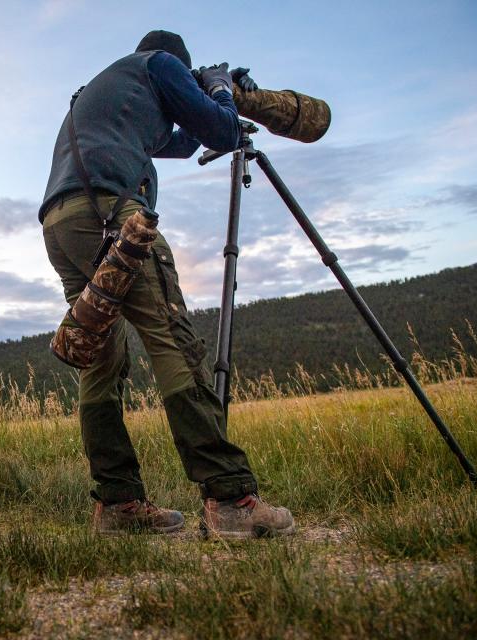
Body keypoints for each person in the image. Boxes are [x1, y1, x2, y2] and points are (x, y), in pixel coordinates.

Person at [39, 31, 294, 538]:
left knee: (101, 355)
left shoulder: (104, 93)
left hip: (60, 221)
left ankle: (117, 505)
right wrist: (219, 90)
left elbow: (182, 141)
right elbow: (220, 131)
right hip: (111, 214)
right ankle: (230, 499)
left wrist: (205, 102)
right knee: (171, 338)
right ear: (179, 65)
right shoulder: (159, 64)